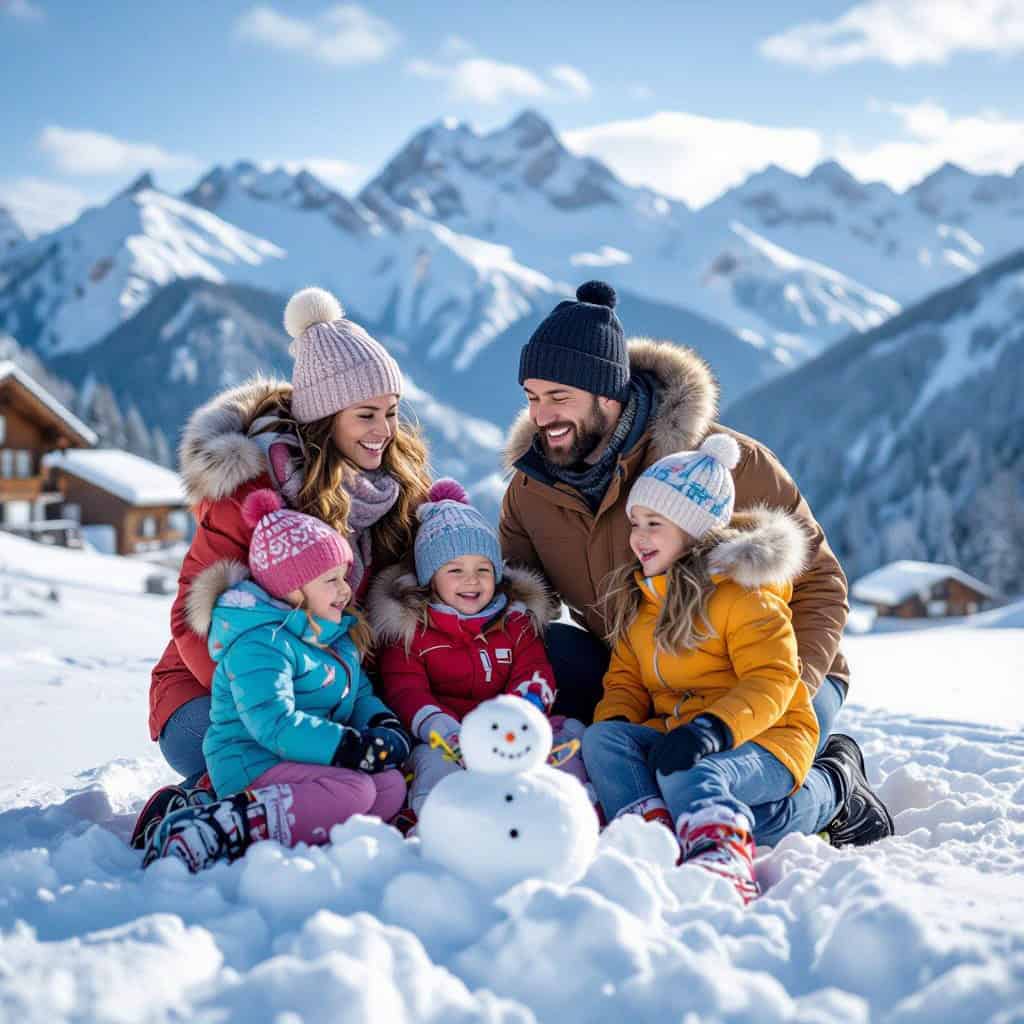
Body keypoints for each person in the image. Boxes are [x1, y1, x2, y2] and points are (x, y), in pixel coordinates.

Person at [499, 279, 893, 848]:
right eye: (532, 397)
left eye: (558, 397)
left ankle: (835, 782)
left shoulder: (722, 468)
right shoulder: (533, 489)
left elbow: (821, 585)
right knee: (548, 648)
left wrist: (787, 693)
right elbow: (514, 598)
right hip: (648, 670)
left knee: (739, 813)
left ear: (607, 395)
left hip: (769, 669)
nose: (541, 416)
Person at [147, 286, 431, 785]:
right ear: (325, 419)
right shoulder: (251, 491)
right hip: (213, 694)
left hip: (330, 688)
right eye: (365, 414)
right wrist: (286, 709)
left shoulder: (391, 489)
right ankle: (199, 810)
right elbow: (193, 618)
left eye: (390, 411)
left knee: (377, 768)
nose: (384, 430)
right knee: (294, 764)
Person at [583, 436, 823, 901]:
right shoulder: (644, 599)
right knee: (601, 740)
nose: (638, 536)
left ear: (695, 531)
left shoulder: (744, 595)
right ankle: (653, 835)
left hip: (764, 737)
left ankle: (723, 854)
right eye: (635, 523)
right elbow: (625, 681)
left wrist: (713, 730)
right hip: (684, 733)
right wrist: (617, 730)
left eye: (654, 523)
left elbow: (772, 679)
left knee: (689, 774)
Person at [143, 490, 410, 872]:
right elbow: (273, 724)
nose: (345, 590)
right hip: (251, 760)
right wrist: (347, 747)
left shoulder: (333, 635)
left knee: (388, 786)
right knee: (355, 789)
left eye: (343, 577)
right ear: (293, 589)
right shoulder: (261, 644)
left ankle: (304, 830)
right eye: (331, 580)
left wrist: (382, 723)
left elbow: (359, 693)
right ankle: (227, 825)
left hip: (303, 757)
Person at [367, 478, 586, 828]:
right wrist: (439, 727)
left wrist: (523, 712)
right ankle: (431, 821)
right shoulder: (411, 630)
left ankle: (566, 811)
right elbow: (405, 689)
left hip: (507, 729)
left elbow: (533, 670)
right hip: (445, 737)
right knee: (434, 765)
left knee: (568, 742)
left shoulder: (514, 621)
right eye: (455, 570)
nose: (471, 580)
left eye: (483, 569)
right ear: (430, 578)